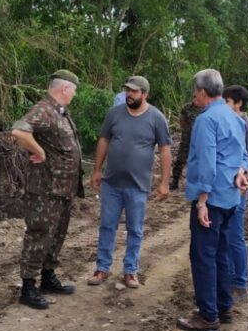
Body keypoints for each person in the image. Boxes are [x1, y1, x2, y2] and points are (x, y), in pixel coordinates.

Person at [176, 69, 248, 331]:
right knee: (221, 253)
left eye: (195, 91)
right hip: (231, 197)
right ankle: (223, 306)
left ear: (203, 92)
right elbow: (243, 155)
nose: (194, 95)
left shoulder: (206, 120)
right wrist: (241, 172)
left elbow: (207, 162)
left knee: (203, 255)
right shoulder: (235, 118)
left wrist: (202, 201)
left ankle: (208, 316)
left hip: (213, 197)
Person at [88, 76, 172, 288]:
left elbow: (165, 150)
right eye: (128, 90)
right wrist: (97, 170)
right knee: (107, 226)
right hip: (111, 182)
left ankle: (130, 271)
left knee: (135, 228)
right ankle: (102, 268)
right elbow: (104, 140)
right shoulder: (114, 114)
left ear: (145, 94)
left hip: (138, 185)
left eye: (134, 92)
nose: (129, 95)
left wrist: (164, 182)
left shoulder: (156, 118)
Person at [10, 70, 84, 310]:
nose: (74, 95)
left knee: (57, 235)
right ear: (65, 89)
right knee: (39, 234)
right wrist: (38, 151)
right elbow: (19, 131)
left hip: (62, 190)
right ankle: (28, 286)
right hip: (45, 190)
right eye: (73, 90)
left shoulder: (60, 113)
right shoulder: (44, 109)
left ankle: (48, 277)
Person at [223, 85, 248, 303]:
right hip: (227, 189)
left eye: (227, 101)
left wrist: (242, 183)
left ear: (238, 104)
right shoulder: (229, 122)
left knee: (235, 237)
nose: (223, 105)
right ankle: (229, 279)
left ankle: (240, 284)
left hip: (238, 189)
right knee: (226, 236)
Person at [170, 100, 203, 190]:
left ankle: (199, 183)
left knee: (200, 161)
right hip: (187, 139)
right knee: (180, 159)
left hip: (200, 140)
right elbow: (182, 122)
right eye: (194, 97)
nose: (196, 99)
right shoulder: (187, 107)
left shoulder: (205, 108)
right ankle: (175, 180)